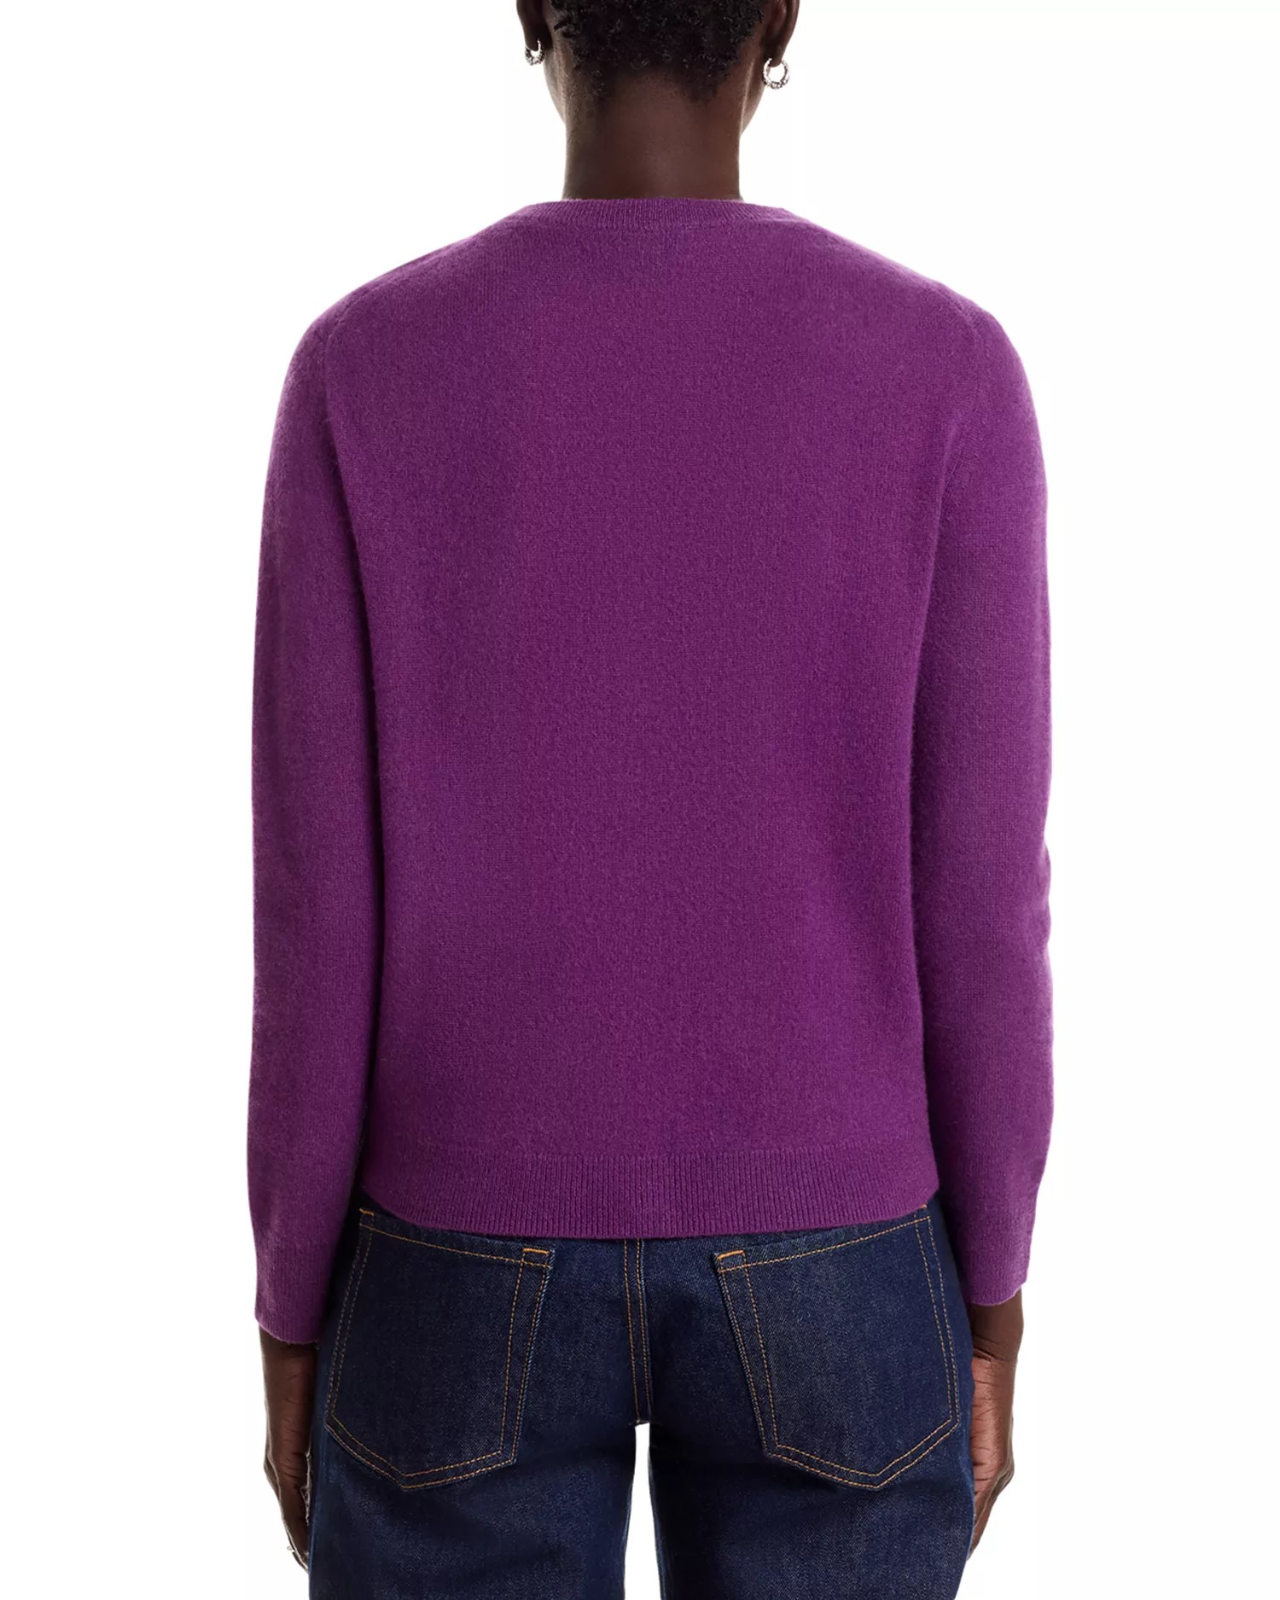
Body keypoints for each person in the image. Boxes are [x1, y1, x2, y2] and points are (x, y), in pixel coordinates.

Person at [249, 2, 1053, 1594]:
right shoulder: (946, 369)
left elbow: (317, 910)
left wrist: (289, 1309)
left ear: (532, 12)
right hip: (842, 1245)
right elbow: (981, 903)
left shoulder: (364, 368)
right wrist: (994, 1293)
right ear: (781, 16)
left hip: (451, 1250)